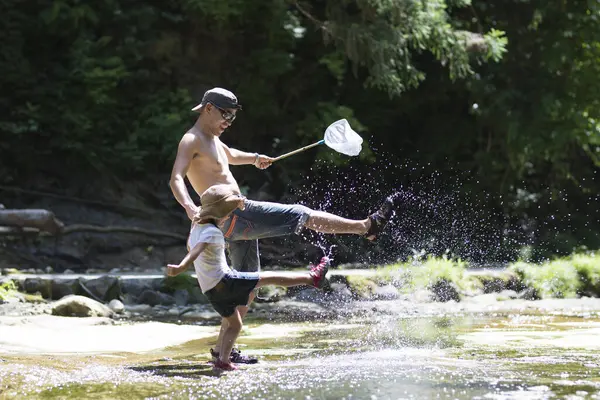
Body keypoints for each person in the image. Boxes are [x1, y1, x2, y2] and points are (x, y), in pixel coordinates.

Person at [169, 87, 398, 364]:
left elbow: (229, 155)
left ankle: (222, 352)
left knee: (247, 284)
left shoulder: (214, 139)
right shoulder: (191, 139)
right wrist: (189, 207)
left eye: (233, 116)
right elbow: (176, 179)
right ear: (208, 108)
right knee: (301, 214)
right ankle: (367, 227)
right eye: (225, 114)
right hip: (234, 216)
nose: (229, 121)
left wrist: (254, 158)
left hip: (234, 222)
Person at [166, 184, 330, 371]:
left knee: (234, 325)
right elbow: (196, 251)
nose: (229, 217)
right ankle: (312, 278)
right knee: (268, 277)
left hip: (211, 291)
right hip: (226, 281)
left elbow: (194, 249)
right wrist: (181, 267)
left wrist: (181, 267)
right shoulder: (211, 232)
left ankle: (223, 360)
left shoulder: (196, 228)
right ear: (221, 215)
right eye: (228, 214)